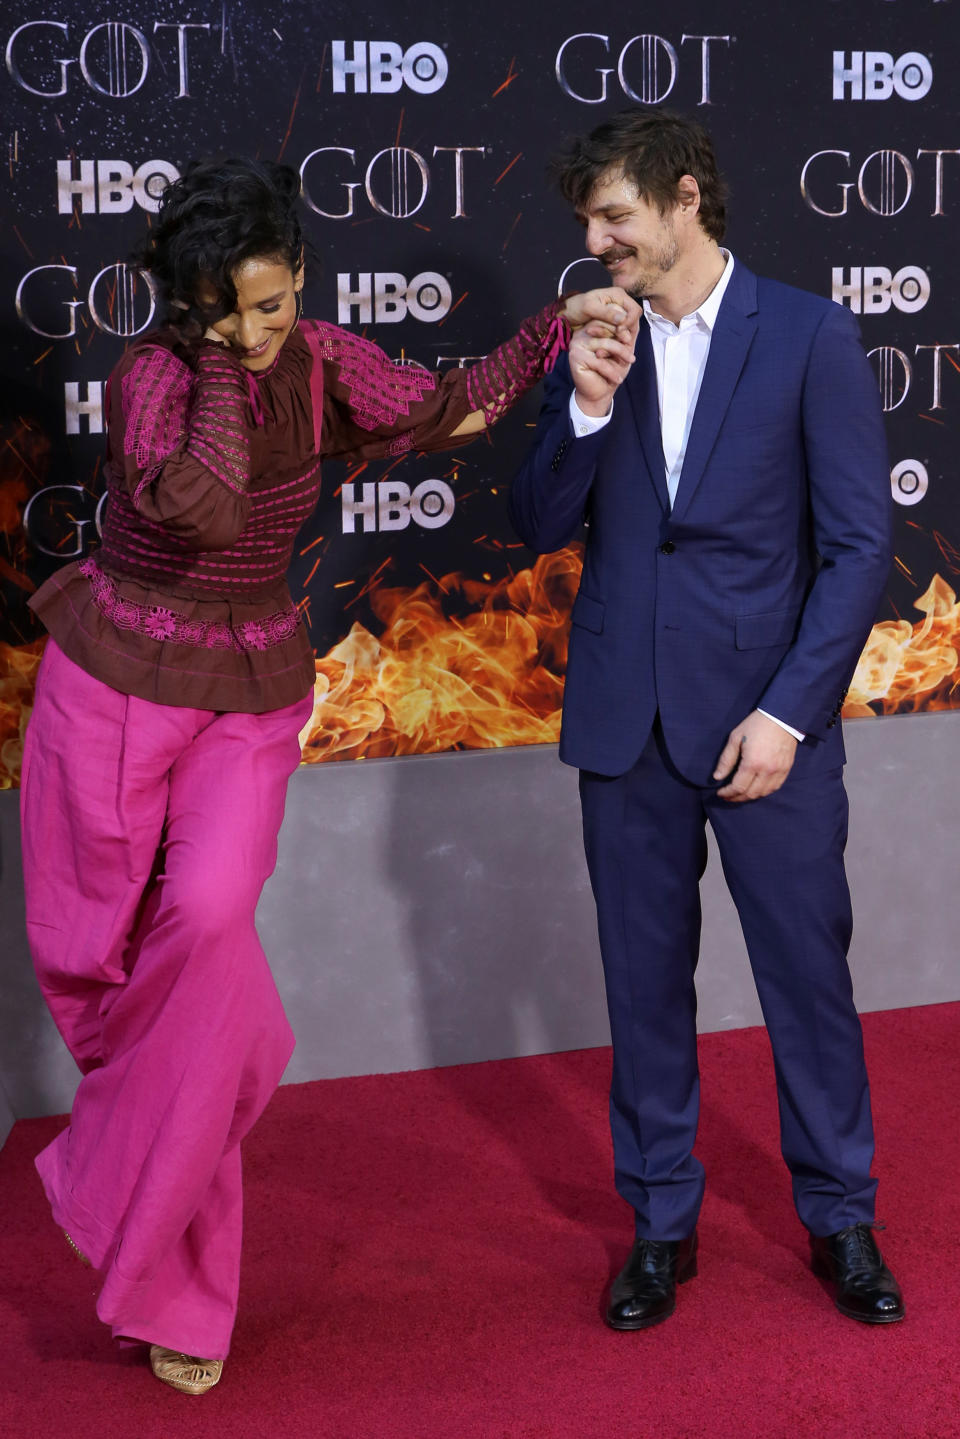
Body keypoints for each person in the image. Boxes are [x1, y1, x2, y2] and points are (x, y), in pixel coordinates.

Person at [20, 156, 640, 1394]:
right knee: (95, 967)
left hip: (247, 686)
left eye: (267, 303)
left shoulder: (324, 359)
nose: (249, 333)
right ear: (177, 302)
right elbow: (196, 501)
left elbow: (448, 407)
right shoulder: (153, 375)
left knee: (204, 934)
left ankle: (169, 1274)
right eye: (217, 309)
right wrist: (207, 358)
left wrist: (546, 330)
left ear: (299, 275)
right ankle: (153, 1233)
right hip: (113, 678)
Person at [509, 109, 903, 1331]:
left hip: (766, 723)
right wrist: (577, 408)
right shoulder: (593, 342)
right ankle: (659, 1224)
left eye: (615, 216)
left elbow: (856, 546)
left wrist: (790, 712)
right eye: (588, 220)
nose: (597, 240)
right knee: (641, 988)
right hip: (626, 718)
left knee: (806, 980)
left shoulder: (807, 332)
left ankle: (842, 1215)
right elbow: (533, 523)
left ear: (685, 200)